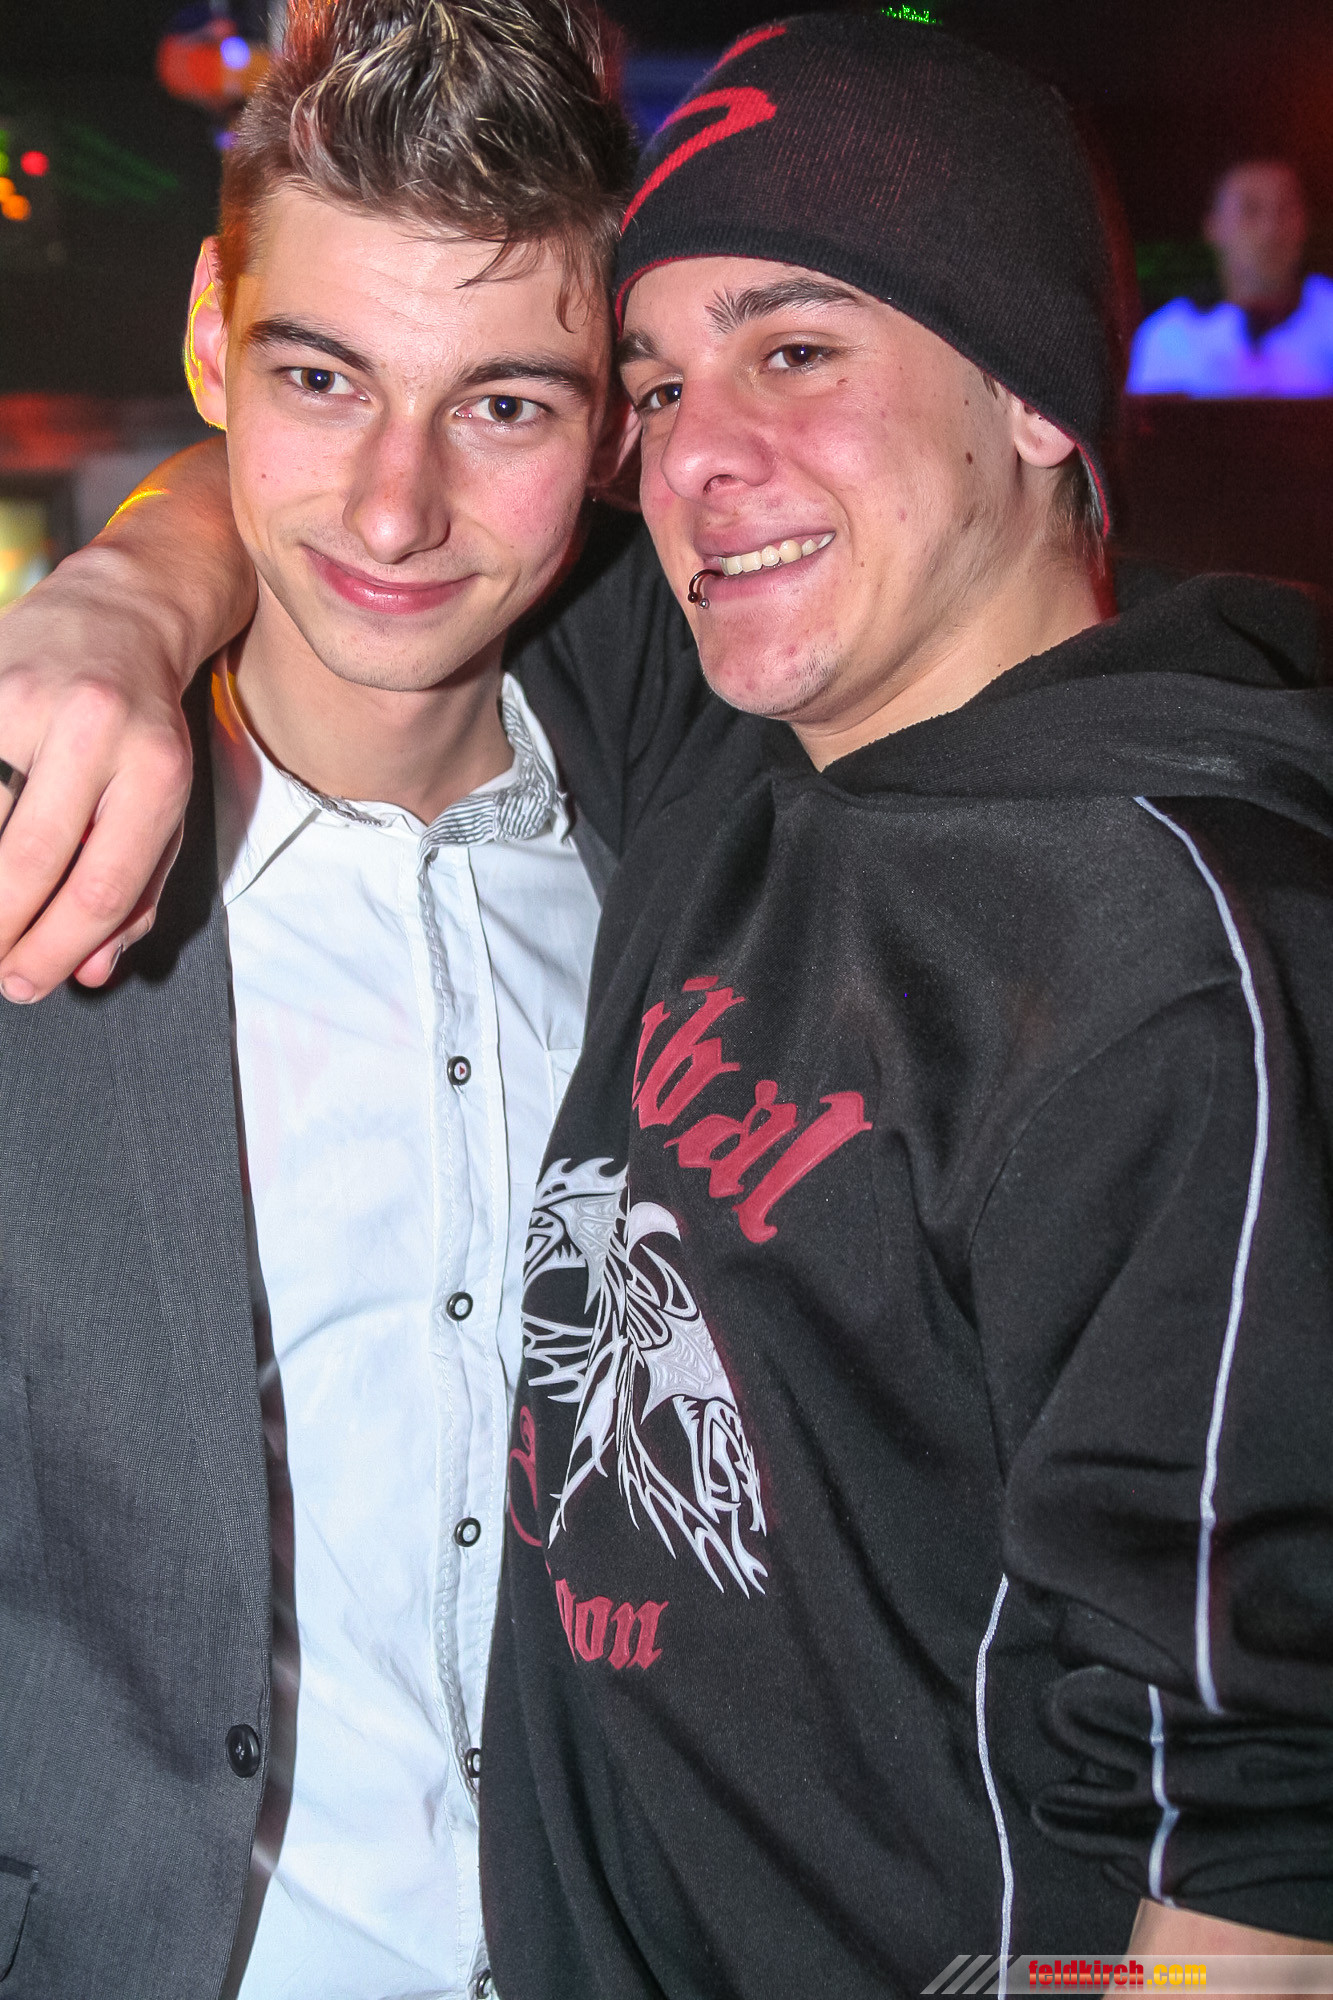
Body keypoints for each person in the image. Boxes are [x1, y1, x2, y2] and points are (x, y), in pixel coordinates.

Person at [1, 11, 1331, 1998]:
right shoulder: (712, 752)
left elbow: (1256, 1831)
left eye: (793, 354)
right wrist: (122, 595)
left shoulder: (1144, 924)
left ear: (1037, 391)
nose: (696, 456)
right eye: (657, 384)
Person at [0, 1, 638, 1993]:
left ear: (617, 422)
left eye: (504, 406)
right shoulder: (32, 849)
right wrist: (123, 585)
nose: (389, 507)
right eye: (320, 376)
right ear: (213, 338)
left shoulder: (701, 841)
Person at [1128, 158, 1333, 395]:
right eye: (1251, 210)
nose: (1271, 229)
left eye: (1285, 210)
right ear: (1213, 227)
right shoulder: (1168, 338)